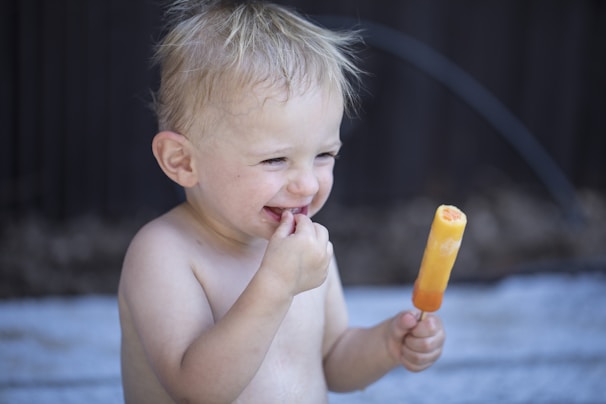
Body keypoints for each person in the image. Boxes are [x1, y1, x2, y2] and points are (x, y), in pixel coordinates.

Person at [118, 1, 445, 402]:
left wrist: (386, 345)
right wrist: (275, 285)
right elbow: (196, 390)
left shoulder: (303, 248)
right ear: (183, 161)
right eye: (275, 159)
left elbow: (332, 360)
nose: (307, 184)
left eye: (324, 155)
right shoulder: (164, 254)